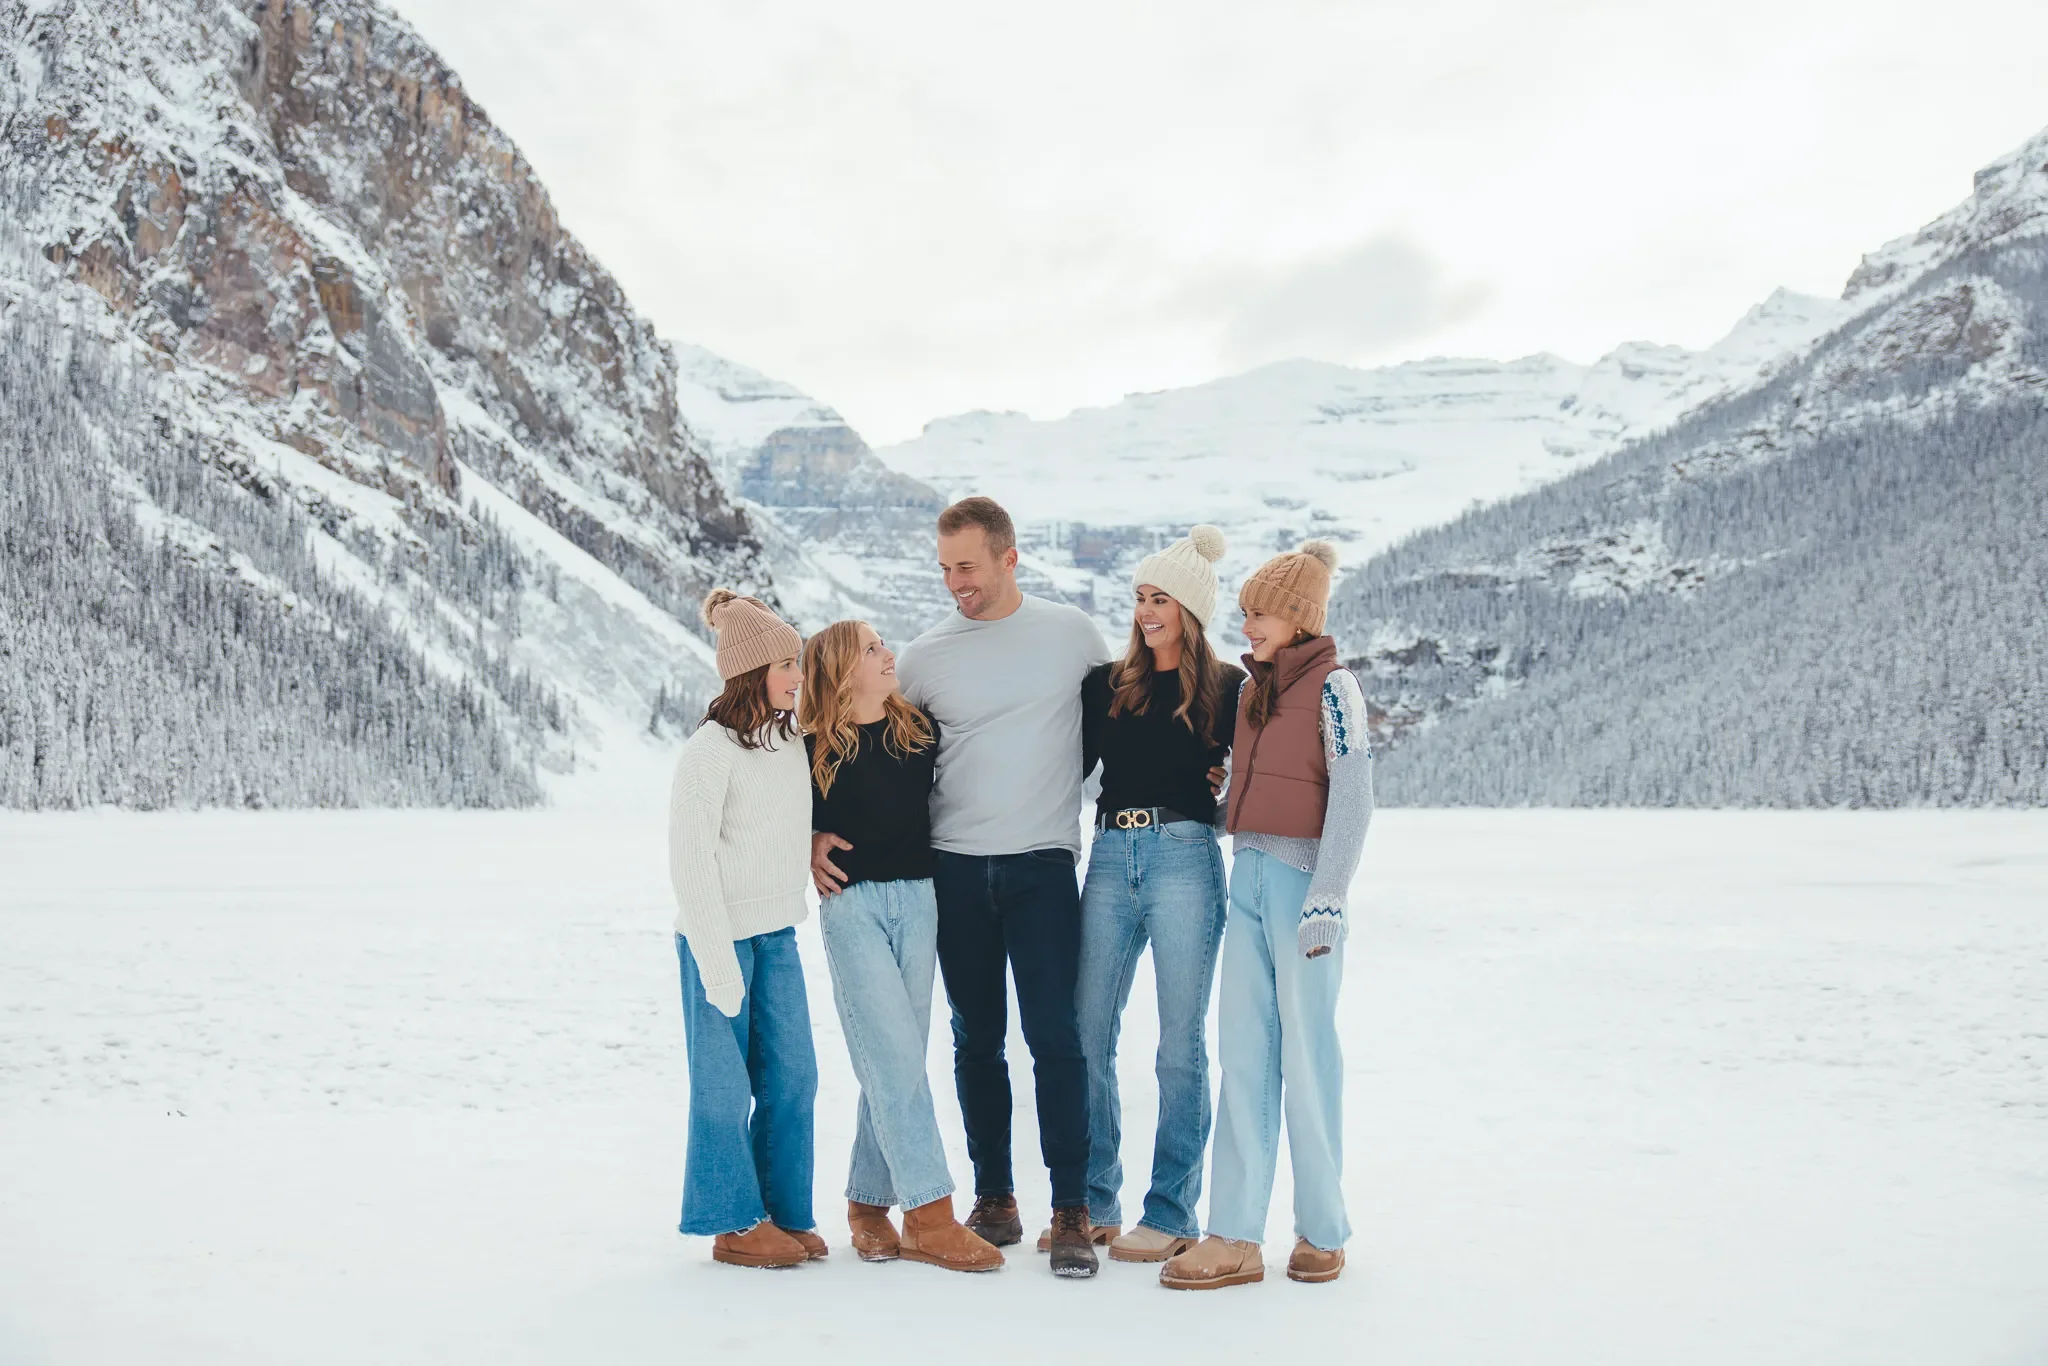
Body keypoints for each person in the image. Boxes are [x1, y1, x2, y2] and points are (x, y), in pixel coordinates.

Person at [815, 496, 1110, 1278]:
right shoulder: (923, 656)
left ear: (1009, 558)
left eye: (967, 567)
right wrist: (808, 831)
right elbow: (862, 746)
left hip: (1043, 864)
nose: (955, 584)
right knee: (974, 1041)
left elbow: (1127, 717)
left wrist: (1207, 781)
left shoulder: (1072, 637)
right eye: (945, 569)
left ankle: (1072, 1209)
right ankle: (994, 1200)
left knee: (1055, 1037)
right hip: (948, 872)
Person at [1159, 540, 1373, 1291]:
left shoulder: (1335, 689)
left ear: (1299, 616)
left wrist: (1329, 894)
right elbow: (1259, 791)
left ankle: (1322, 1230)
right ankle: (1235, 1234)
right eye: (1245, 612)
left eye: (1260, 613)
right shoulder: (1255, 692)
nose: (1246, 625)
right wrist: (1227, 798)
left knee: (1307, 1055)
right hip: (1246, 871)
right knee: (1243, 1053)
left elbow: (1352, 796)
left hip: (1301, 882)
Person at [799, 619, 1003, 1273]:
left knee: (897, 1062)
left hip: (920, 902)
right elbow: (764, 816)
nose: (889, 654)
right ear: (840, 670)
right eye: (872, 649)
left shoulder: (918, 730)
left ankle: (865, 1203)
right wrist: (803, 844)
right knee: (892, 1060)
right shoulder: (807, 748)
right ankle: (930, 1216)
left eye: (884, 645)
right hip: (851, 907)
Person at [1072, 525, 1245, 1264]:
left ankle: (1172, 1211)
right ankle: (1094, 1200)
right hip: (1111, 855)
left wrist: (1228, 793)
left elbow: (1262, 766)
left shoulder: (1230, 686)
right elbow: (1058, 766)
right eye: (1140, 597)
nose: (1146, 611)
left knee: (1180, 1049)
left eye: (1161, 599)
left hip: (1185, 858)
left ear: (1192, 610)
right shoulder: (1104, 686)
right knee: (1084, 1035)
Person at [668, 589, 821, 1270]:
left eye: (797, 662)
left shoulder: (790, 741)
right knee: (724, 1089)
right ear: (750, 673)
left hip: (778, 934)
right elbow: (690, 861)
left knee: (794, 1078)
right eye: (786, 664)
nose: (797, 675)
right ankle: (734, 1221)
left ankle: (784, 1211)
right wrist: (717, 964)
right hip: (716, 937)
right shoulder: (709, 751)